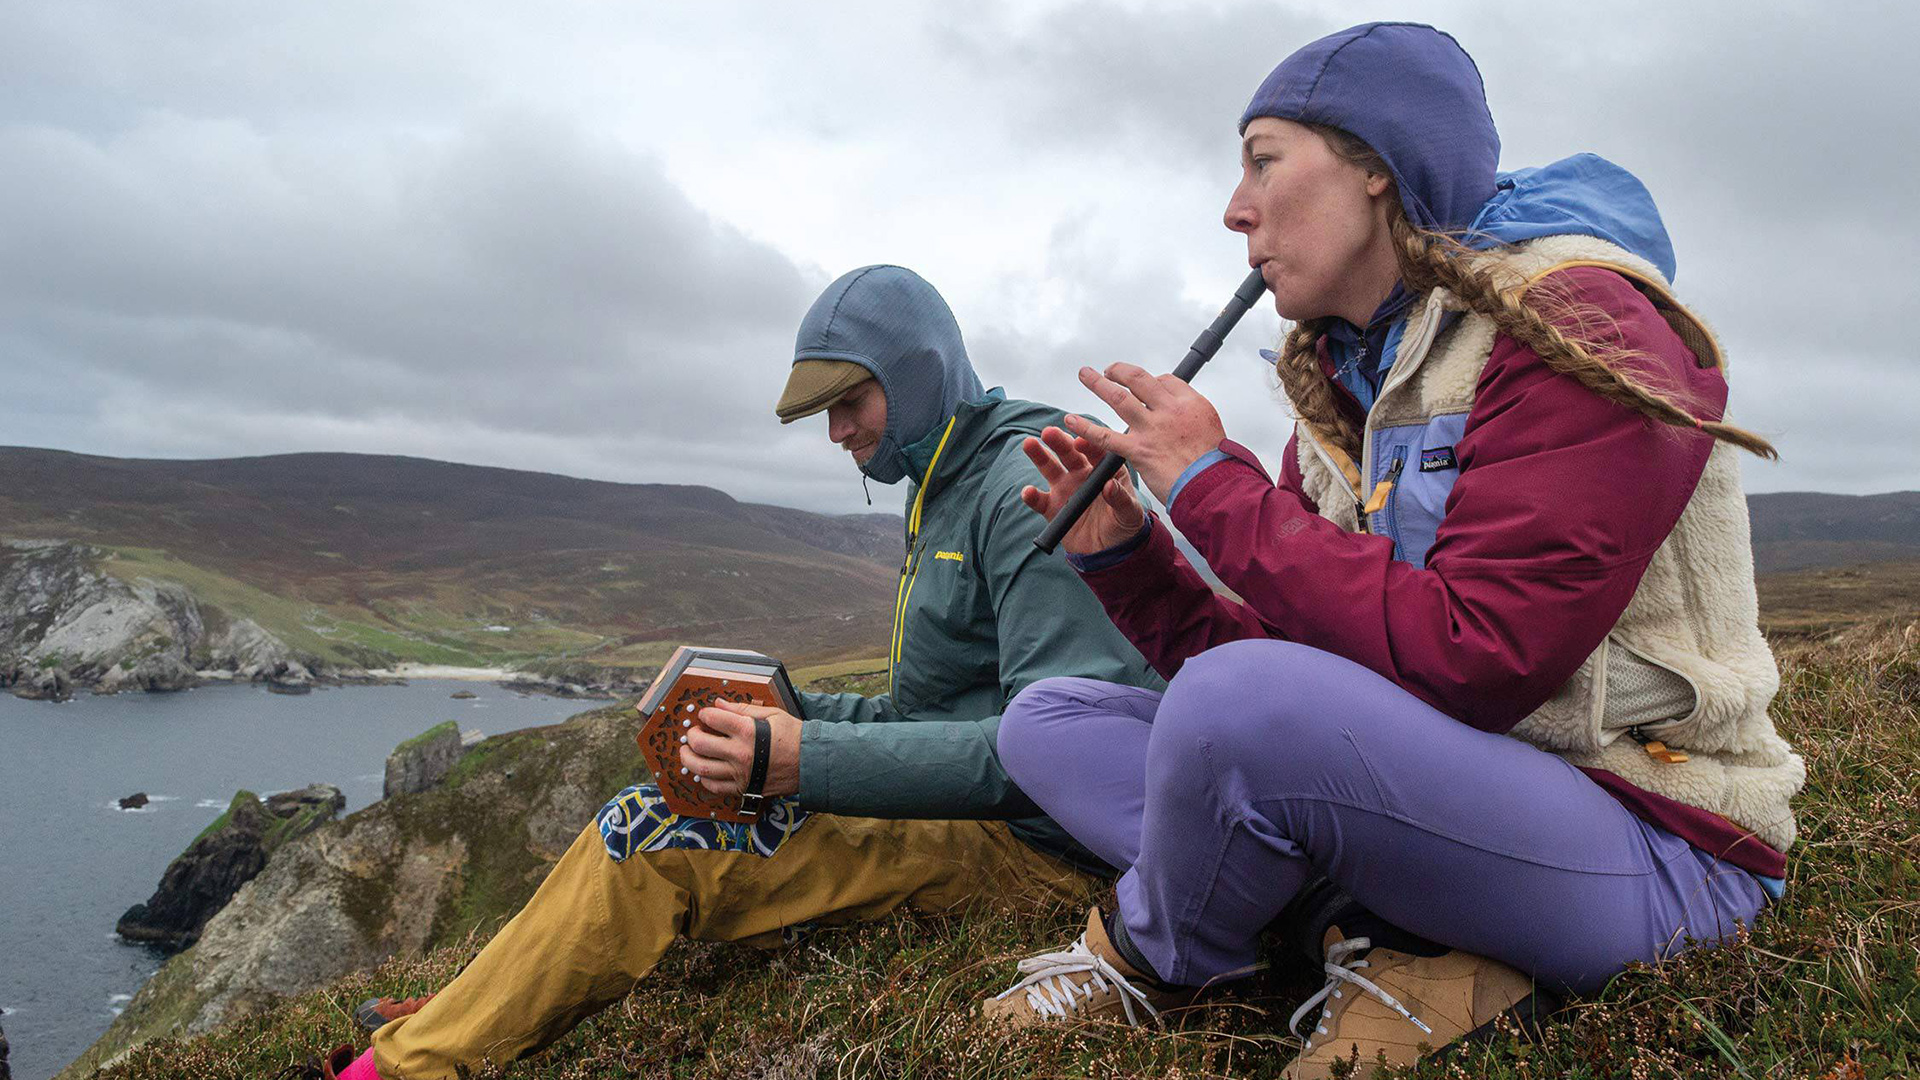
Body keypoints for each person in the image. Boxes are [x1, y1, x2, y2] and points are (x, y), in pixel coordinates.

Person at [980, 22, 1803, 1079]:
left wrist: (1212, 485)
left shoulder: (1579, 322)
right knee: (1045, 722)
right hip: (1447, 800)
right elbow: (1287, 671)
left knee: (1237, 709)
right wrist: (1132, 557)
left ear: (1376, 166)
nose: (1235, 208)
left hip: (1648, 834)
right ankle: (1392, 934)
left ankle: (1161, 954)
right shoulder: (1342, 384)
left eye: (1264, 161)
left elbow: (1483, 656)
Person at [310, 265, 1162, 1079]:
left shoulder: (1025, 488)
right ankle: (474, 1006)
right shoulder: (943, 482)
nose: (836, 433)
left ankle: (405, 1065)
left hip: (1045, 852)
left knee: (653, 836)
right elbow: (931, 710)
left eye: (849, 403)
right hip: (977, 819)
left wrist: (806, 758)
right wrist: (778, 715)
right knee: (681, 790)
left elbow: (1067, 754)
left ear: (918, 373)